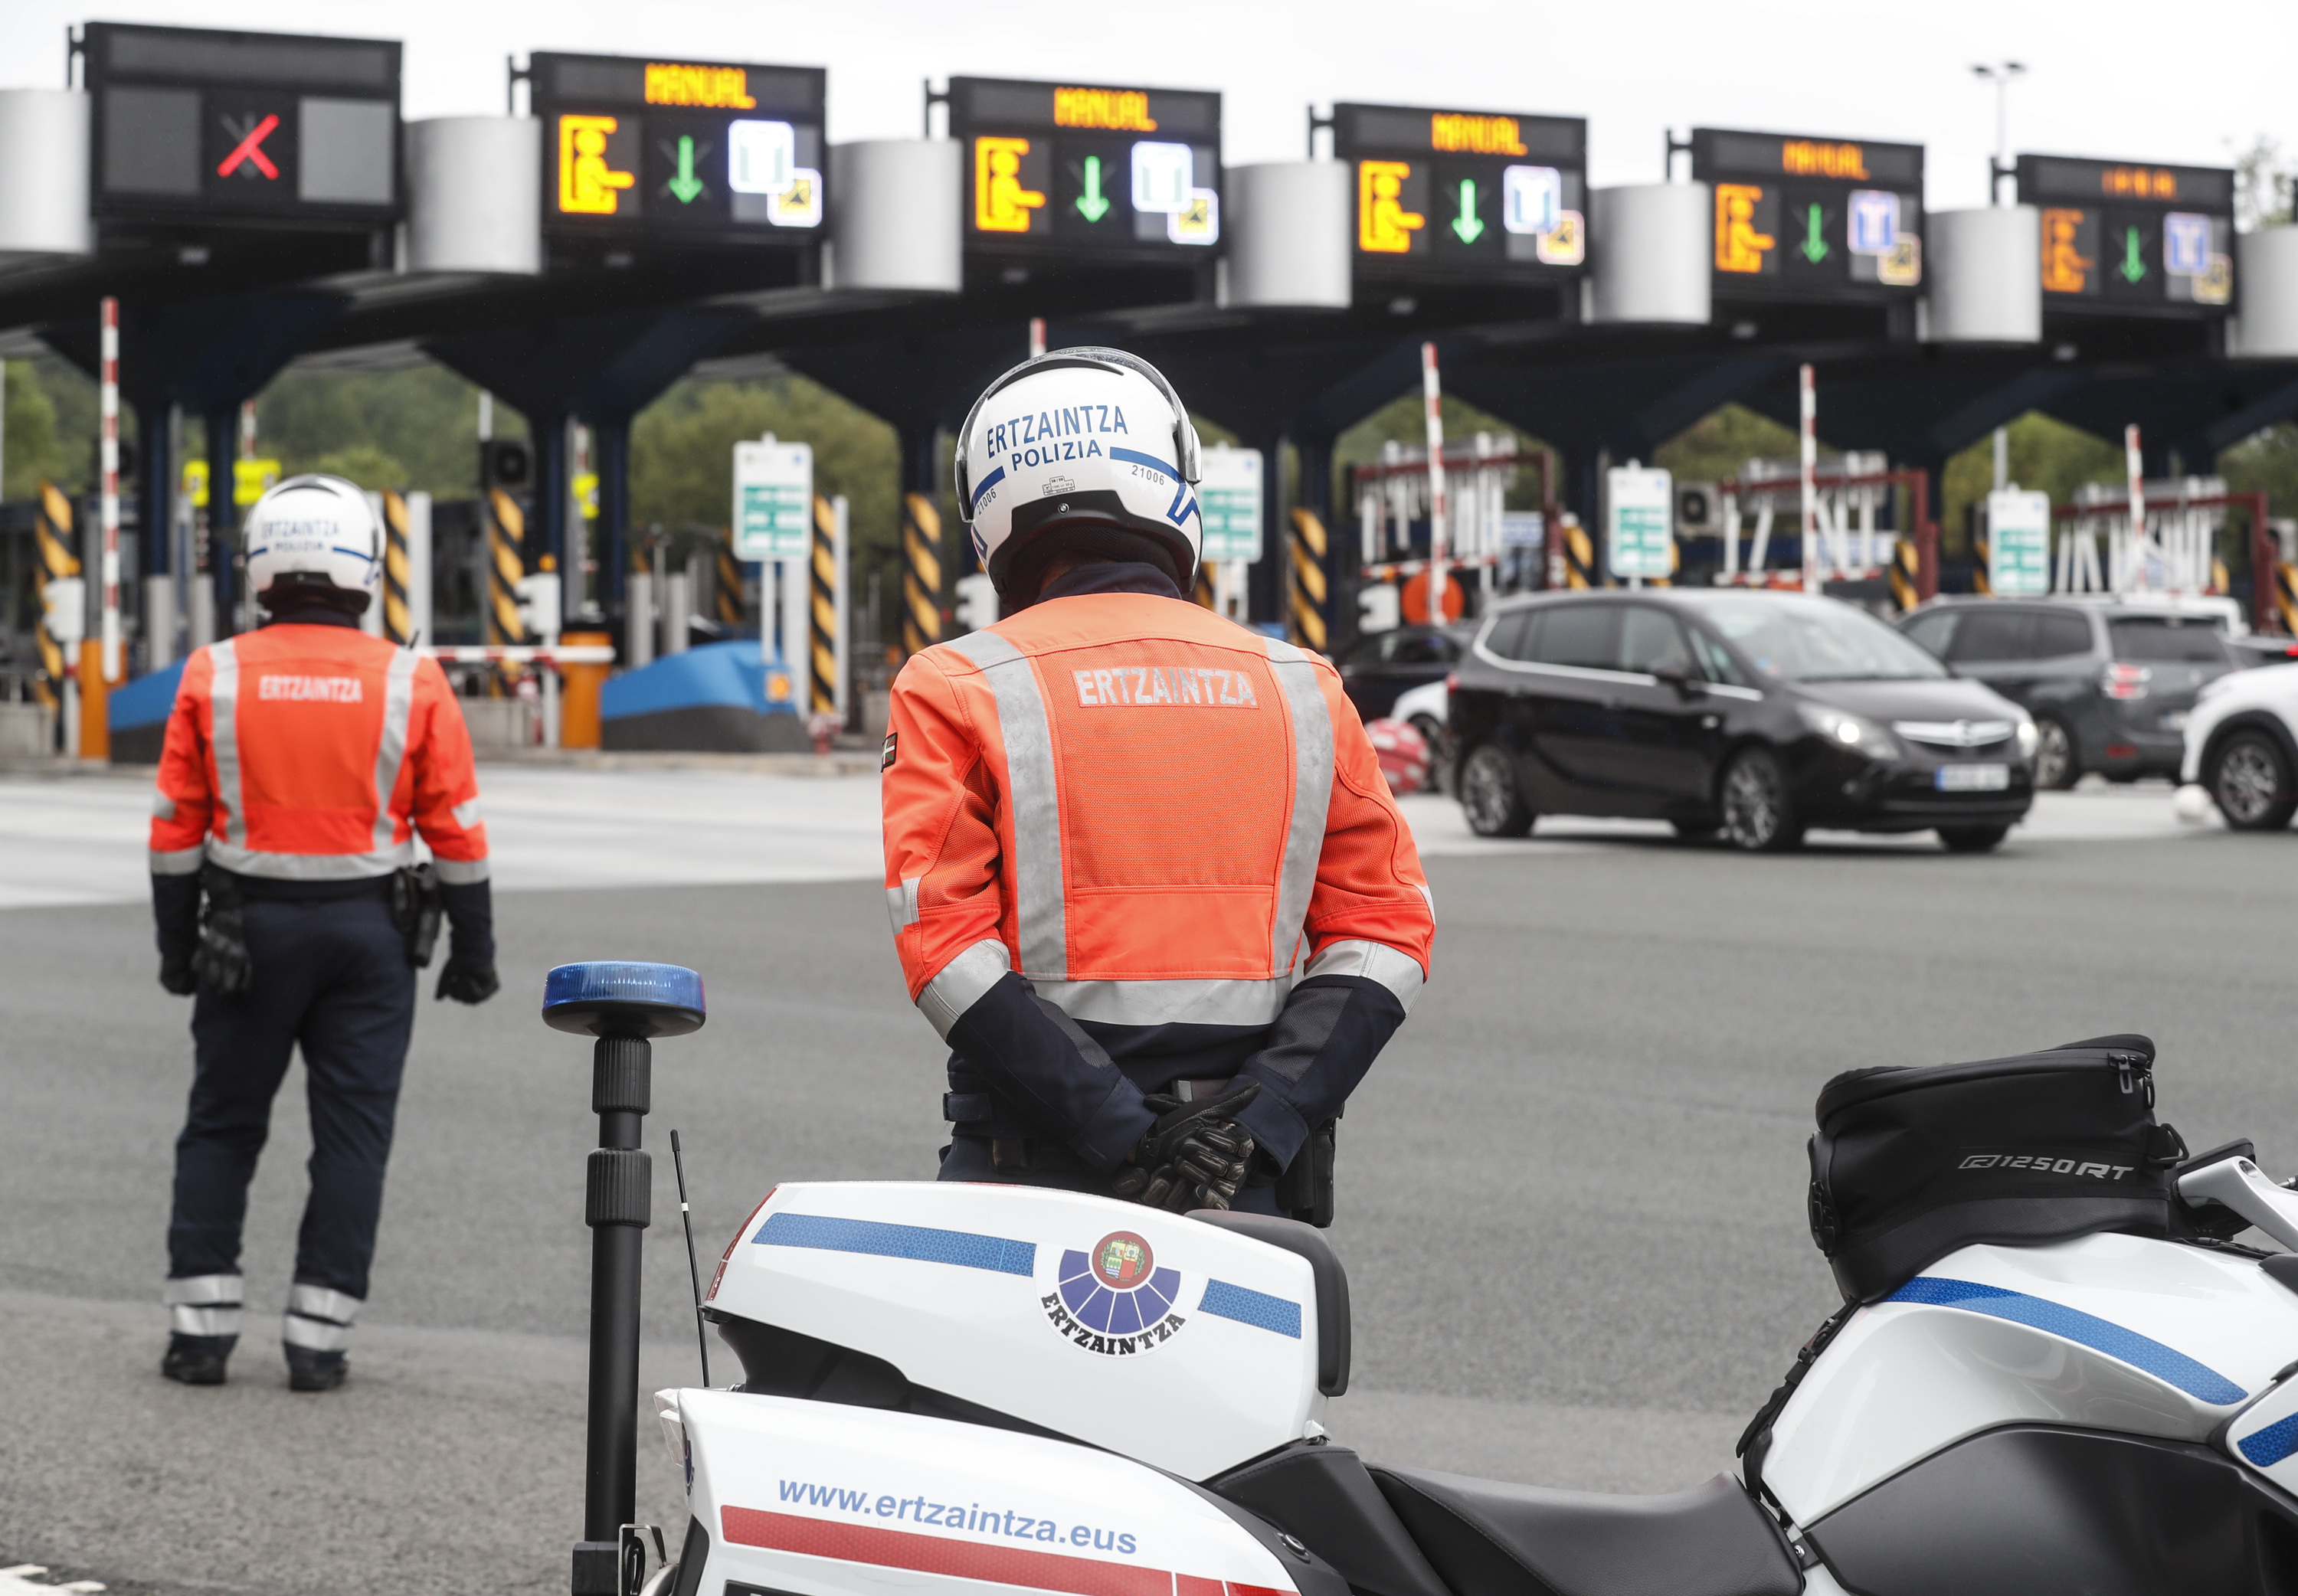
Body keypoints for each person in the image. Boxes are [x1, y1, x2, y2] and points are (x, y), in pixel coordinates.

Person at [880, 348, 1435, 1219]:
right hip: (1241, 1177)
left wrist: (1124, 1131)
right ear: (1171, 479)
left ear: (986, 508)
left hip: (1033, 1169)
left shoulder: (953, 682)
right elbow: (1389, 929)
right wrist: (1263, 1120)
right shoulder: (1301, 684)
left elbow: (943, 948)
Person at [148, 474, 499, 1392]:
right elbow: (456, 826)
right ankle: (317, 1339)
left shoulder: (213, 672)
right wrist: (475, 947)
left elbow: (174, 827)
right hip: (368, 940)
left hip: (243, 933)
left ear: (261, 565)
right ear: (366, 568)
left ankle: (199, 1333)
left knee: (222, 1127)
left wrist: (176, 945)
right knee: (352, 1137)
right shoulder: (410, 677)